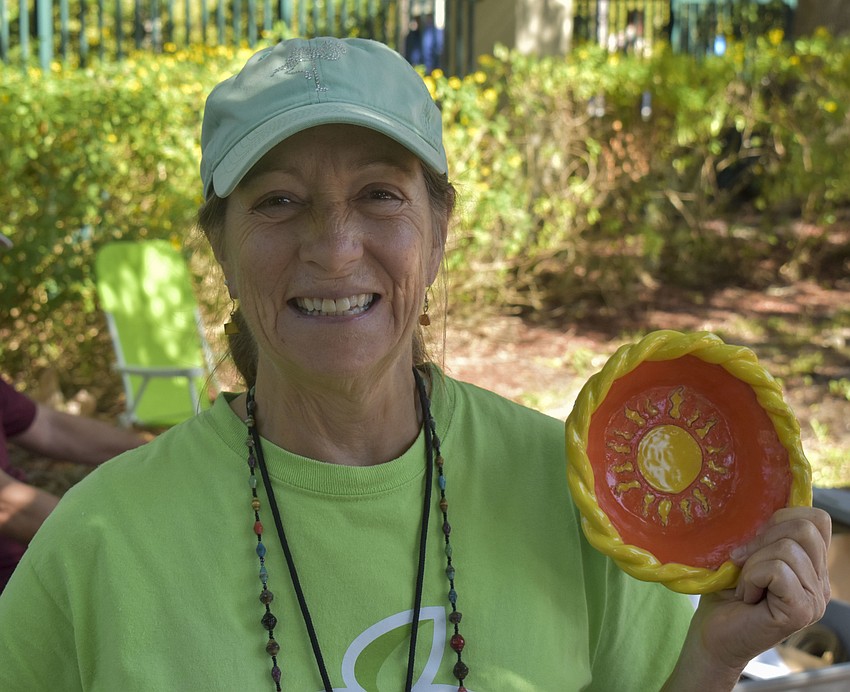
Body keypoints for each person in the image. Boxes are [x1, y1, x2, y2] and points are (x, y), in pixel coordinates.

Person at [0, 37, 830, 690]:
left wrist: (716, 659)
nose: (333, 248)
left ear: (438, 231)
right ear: (221, 244)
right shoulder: (100, 545)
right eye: (278, 200)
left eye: (379, 194)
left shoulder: (578, 499)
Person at [0, 374, 147, 591]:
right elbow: (7, 505)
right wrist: (114, 540)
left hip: (34, 563)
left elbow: (49, 427)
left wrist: (151, 454)